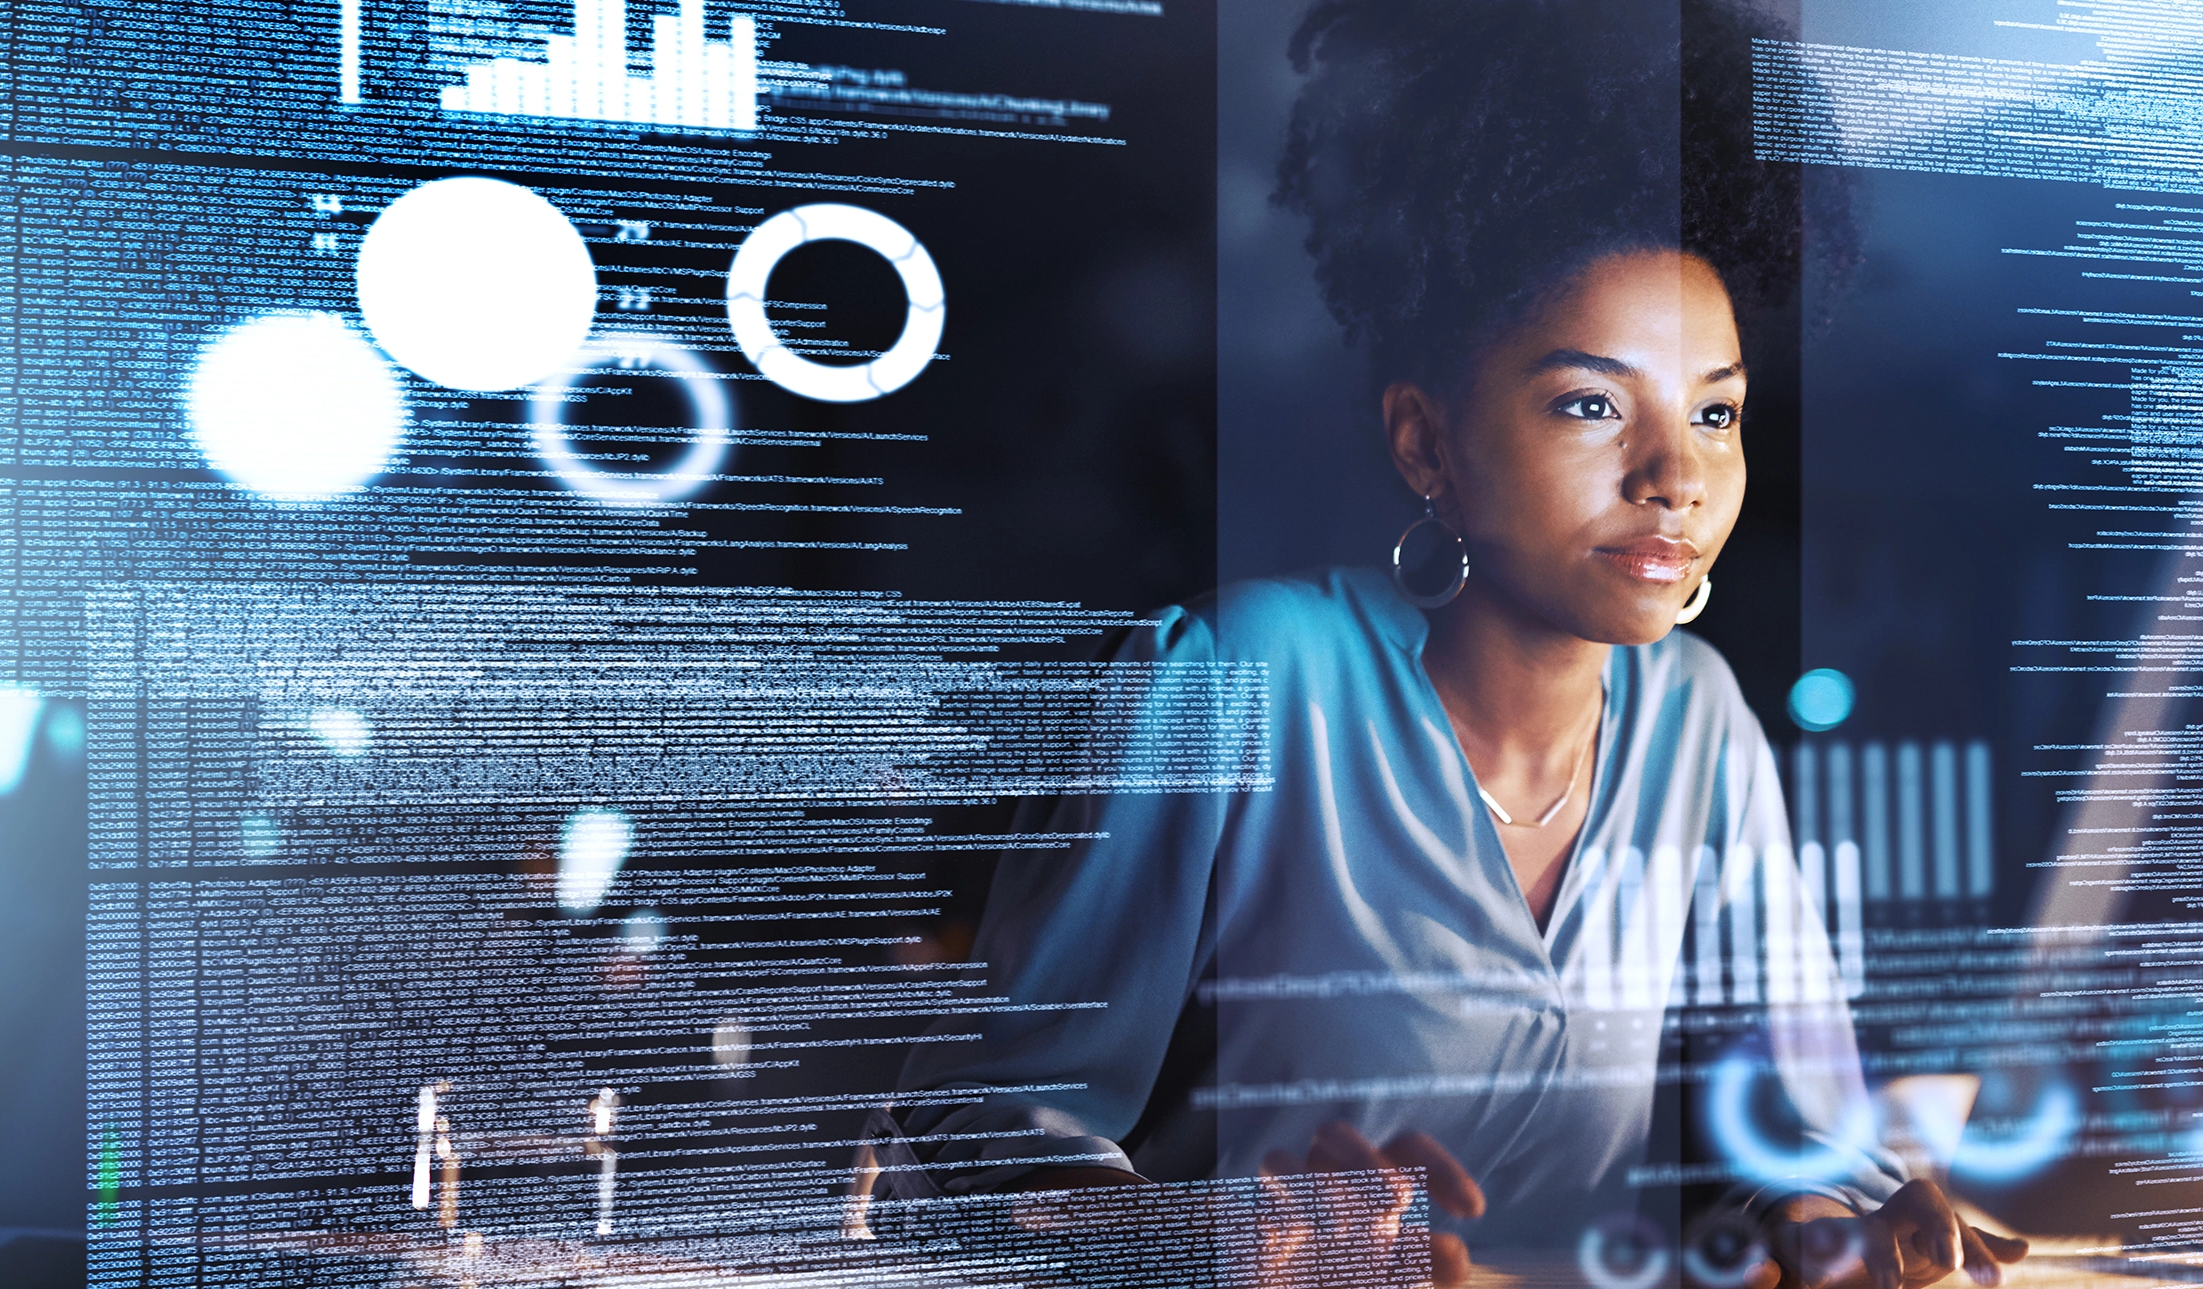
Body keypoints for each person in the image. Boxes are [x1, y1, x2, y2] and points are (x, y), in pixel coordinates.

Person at [866, 2, 2031, 1285]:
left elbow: (1810, 1129)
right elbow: (963, 1130)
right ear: (1427, 441)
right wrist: (1224, 1236)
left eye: (1716, 413)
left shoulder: (1700, 719)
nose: (1675, 476)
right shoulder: (1240, 677)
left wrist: (1832, 1218)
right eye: (1590, 403)